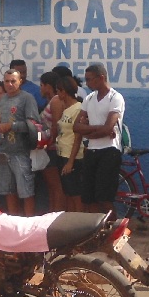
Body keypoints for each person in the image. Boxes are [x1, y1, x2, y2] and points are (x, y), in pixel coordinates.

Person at [74, 63, 125, 214]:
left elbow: (108, 128)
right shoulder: (89, 98)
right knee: (89, 198)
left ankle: (114, 232)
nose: (87, 83)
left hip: (109, 151)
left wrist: (88, 132)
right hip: (91, 150)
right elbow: (76, 126)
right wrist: (97, 130)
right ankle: (96, 232)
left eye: (90, 79)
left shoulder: (115, 98)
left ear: (101, 78)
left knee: (105, 198)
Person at [0, 68, 40, 216]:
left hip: (21, 151)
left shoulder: (27, 98)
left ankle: (29, 224)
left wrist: (12, 126)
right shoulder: (3, 99)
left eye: (13, 81)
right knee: (8, 191)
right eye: (7, 81)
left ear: (20, 81)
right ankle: (14, 224)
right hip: (4, 151)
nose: (10, 84)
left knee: (26, 192)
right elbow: (0, 118)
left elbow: (34, 124)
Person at [55, 76, 85, 212]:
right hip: (62, 153)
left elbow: (78, 137)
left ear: (64, 91)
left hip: (72, 156)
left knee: (75, 194)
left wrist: (70, 162)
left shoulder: (78, 108)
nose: (57, 94)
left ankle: (79, 223)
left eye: (58, 91)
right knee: (67, 192)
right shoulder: (66, 109)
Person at [38, 71, 65, 212]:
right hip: (48, 148)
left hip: (52, 149)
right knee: (51, 186)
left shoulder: (56, 100)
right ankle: (52, 215)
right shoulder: (51, 101)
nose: (40, 88)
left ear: (48, 86)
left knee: (56, 186)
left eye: (42, 85)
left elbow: (56, 125)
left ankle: (57, 217)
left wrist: (48, 144)